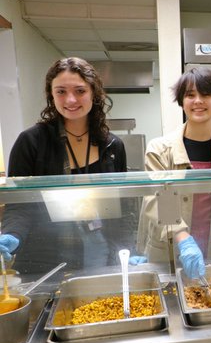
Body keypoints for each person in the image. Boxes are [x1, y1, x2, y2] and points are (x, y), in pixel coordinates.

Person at [0, 57, 128, 274]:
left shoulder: (113, 146)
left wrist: (127, 248)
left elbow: (123, 207)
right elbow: (19, 205)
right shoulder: (31, 142)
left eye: (80, 91)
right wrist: (12, 234)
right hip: (46, 260)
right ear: (51, 94)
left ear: (94, 93)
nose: (70, 100)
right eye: (61, 91)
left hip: (102, 256)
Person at [135, 67, 211, 279]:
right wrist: (184, 239)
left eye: (206, 94)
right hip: (170, 250)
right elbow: (159, 201)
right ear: (181, 101)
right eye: (190, 95)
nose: (198, 101)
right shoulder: (159, 150)